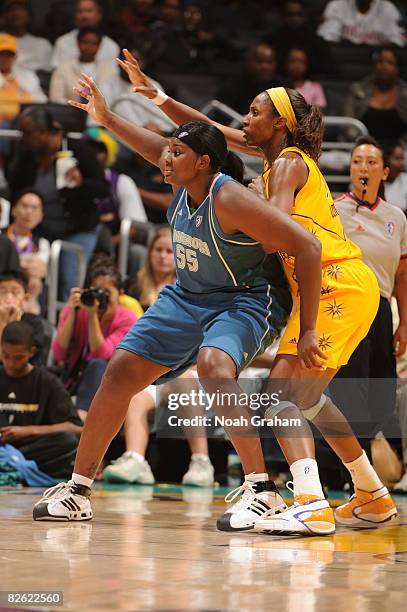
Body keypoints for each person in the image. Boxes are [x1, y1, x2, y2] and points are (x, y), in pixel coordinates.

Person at [120, 52, 398, 534]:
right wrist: (158, 96)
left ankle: (310, 501)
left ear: (280, 125)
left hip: (336, 281)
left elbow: (275, 231)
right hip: (341, 284)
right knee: (307, 398)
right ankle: (371, 494)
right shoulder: (275, 159)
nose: (245, 120)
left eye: (254, 113)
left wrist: (242, 202)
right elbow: (211, 130)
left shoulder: (288, 164)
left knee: (282, 394)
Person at [32, 72, 324, 523]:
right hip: (188, 295)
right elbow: (150, 145)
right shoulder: (184, 180)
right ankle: (78, 490)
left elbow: (307, 245)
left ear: (204, 162)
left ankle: (262, 488)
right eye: (168, 151)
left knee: (213, 365)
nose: (165, 158)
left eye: (176, 152)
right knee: (122, 369)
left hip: (246, 297)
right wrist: (106, 117)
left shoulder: (231, 199)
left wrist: (307, 329)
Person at [332, 136, 407, 450]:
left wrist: (403, 323)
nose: (364, 167)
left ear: (385, 172)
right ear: (350, 170)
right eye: (357, 161)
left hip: (380, 309)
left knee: (383, 393)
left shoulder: (397, 218)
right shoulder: (333, 211)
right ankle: (354, 475)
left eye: (371, 162)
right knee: (351, 393)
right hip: (346, 309)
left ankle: (372, 462)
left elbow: (402, 275)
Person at [10, 106, 108, 300]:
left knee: (68, 280)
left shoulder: (77, 148)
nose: (23, 138)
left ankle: (65, 324)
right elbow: (16, 191)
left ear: (45, 132)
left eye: (28, 133)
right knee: (28, 275)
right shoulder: (27, 156)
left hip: (78, 228)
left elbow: (103, 189)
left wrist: (81, 184)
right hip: (41, 230)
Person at [52, 259, 138, 423]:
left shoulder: (127, 318)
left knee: (97, 365)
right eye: (96, 291)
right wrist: (71, 312)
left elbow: (102, 354)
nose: (100, 299)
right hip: (74, 376)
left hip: (107, 381)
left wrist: (92, 317)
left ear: (120, 293)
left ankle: (81, 418)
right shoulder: (77, 311)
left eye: (106, 293)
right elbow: (59, 353)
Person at [0, 321, 82, 479]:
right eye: (6, 356)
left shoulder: (47, 381)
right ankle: (15, 466)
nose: (11, 363)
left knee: (67, 441)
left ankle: (13, 465)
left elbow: (76, 428)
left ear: (32, 352)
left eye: (18, 358)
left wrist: (28, 431)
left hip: (31, 446)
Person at [344, 46, 407, 145]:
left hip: (399, 153)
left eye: (390, 63)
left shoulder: (405, 93)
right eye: (380, 62)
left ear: (397, 68)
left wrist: (401, 148)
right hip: (361, 147)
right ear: (374, 66)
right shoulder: (357, 90)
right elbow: (348, 127)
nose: (384, 66)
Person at [7, 189, 49, 315]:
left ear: (41, 216)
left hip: (28, 297)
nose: (28, 212)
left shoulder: (42, 243)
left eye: (34, 208)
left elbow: (38, 270)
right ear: (14, 210)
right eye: (24, 206)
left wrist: (13, 261)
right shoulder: (1, 235)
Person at [217, 42, 290, 116]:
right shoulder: (233, 84)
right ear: (249, 61)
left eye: (269, 62)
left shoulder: (283, 86)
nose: (265, 66)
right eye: (259, 61)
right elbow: (223, 116)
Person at [49, 26, 117, 106]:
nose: (89, 47)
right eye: (85, 42)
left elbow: (113, 98)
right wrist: (79, 106)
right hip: (70, 113)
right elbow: (56, 98)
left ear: (99, 46)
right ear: (78, 43)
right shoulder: (63, 68)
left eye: (93, 44)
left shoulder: (109, 71)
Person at [51, 0, 120, 69]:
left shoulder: (111, 46)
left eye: (89, 11)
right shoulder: (62, 42)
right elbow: (56, 72)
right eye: (80, 11)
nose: (84, 16)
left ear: (99, 15)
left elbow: (112, 76)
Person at [0, 270, 45, 366]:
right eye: (3, 292)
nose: (8, 297)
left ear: (25, 298)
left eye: (15, 292)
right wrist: (2, 322)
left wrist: (9, 324)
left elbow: (15, 362)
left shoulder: (34, 322)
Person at [0, 32, 46, 123]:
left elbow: (41, 101)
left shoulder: (28, 76)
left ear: (15, 57)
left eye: (9, 55)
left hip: (26, 121)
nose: (5, 59)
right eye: (1, 54)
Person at [317, 0, 405, 47]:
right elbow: (326, 39)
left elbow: (399, 40)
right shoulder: (337, 5)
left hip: (375, 60)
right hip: (345, 63)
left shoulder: (387, 8)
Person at [0, 0, 52, 72]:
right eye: (12, 9)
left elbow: (48, 74)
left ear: (29, 16)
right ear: (4, 16)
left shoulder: (43, 44)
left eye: (21, 9)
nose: (16, 13)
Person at [384, 141, 407, 213]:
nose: (401, 163)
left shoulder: (405, 180)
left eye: (402, 158)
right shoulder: (373, 182)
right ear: (386, 160)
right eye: (397, 158)